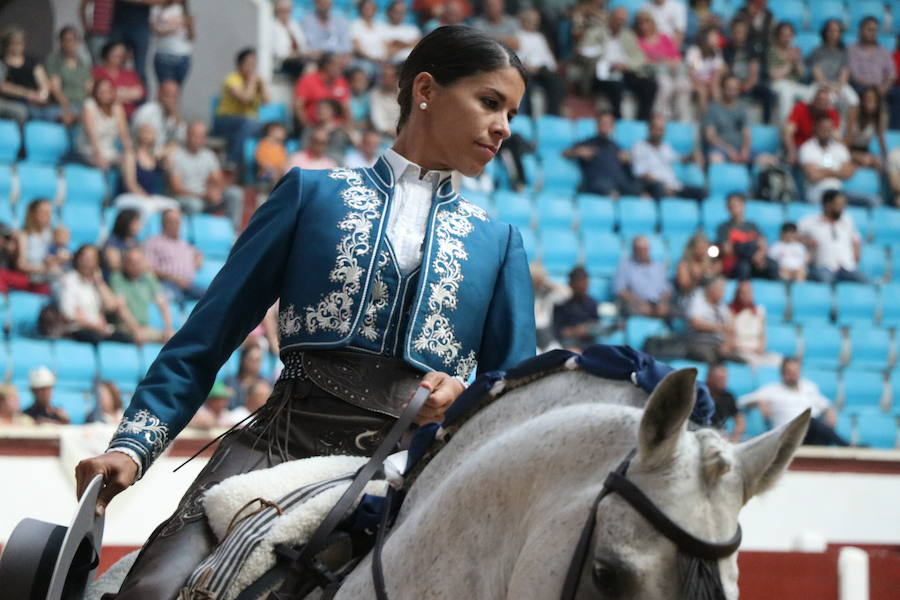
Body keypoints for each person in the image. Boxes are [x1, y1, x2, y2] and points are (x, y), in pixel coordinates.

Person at [75, 26, 535, 600]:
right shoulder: (310, 194)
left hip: (413, 475)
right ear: (425, 89)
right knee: (154, 591)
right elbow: (205, 338)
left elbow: (515, 402)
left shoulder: (499, 242)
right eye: (490, 102)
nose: (504, 128)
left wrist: (462, 397)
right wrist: (131, 448)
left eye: (510, 112)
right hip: (277, 449)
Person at [739, 357, 849, 446]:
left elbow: (825, 403)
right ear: (782, 373)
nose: (793, 375)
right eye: (789, 372)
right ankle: (846, 446)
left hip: (811, 434)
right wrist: (758, 403)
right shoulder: (772, 390)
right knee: (808, 420)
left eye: (795, 371)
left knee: (813, 422)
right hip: (789, 435)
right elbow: (742, 401)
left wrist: (829, 411)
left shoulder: (809, 387)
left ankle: (844, 448)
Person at [581, 6, 657, 121]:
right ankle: (617, 119)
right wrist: (602, 60)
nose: (619, 23)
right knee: (615, 85)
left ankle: (643, 119)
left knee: (650, 84)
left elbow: (640, 57)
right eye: (617, 19)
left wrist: (625, 65)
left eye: (623, 20)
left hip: (624, 70)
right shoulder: (595, 33)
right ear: (610, 18)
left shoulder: (628, 36)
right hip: (602, 72)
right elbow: (584, 52)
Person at [168, 121, 244, 226]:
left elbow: (218, 179)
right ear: (188, 135)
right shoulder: (177, 156)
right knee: (195, 205)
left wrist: (215, 190)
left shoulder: (209, 155)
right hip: (187, 198)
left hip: (206, 197)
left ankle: (232, 233)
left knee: (234, 193)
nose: (199, 139)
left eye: (202, 136)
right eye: (196, 136)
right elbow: (176, 188)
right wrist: (203, 195)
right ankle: (195, 235)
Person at [56, 244, 130, 343]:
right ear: (78, 259)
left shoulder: (95, 284)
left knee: (125, 338)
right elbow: (68, 313)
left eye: (92, 259)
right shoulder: (69, 280)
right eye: (84, 257)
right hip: (77, 329)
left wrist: (100, 283)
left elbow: (111, 306)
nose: (87, 262)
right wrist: (94, 326)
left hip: (98, 329)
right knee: (96, 338)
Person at [563, 110, 642, 197]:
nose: (605, 126)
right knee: (604, 187)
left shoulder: (616, 147)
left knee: (637, 189)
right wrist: (577, 152)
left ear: (612, 127)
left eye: (608, 123)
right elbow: (565, 153)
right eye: (602, 123)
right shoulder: (588, 143)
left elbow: (630, 168)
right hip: (596, 182)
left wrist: (628, 160)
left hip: (617, 182)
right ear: (597, 125)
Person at [213, 48, 268, 171]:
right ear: (240, 64)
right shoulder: (232, 79)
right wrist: (252, 83)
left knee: (269, 130)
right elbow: (245, 98)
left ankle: (260, 169)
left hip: (247, 125)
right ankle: (232, 161)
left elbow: (267, 102)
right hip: (226, 121)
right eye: (248, 64)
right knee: (248, 123)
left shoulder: (254, 83)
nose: (251, 68)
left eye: (254, 64)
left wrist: (262, 86)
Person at [114, 123, 181, 220]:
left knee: (174, 206)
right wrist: (146, 198)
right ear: (138, 134)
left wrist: (167, 154)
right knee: (147, 207)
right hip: (128, 196)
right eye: (145, 131)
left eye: (151, 132)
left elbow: (168, 166)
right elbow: (130, 184)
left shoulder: (155, 158)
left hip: (149, 198)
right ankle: (144, 234)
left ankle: (166, 234)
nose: (148, 134)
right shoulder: (131, 155)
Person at [798, 189, 866, 284]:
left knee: (864, 281)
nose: (843, 207)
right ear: (828, 205)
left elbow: (856, 239)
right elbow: (793, 236)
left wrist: (856, 250)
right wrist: (807, 242)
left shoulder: (847, 220)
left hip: (847, 266)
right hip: (824, 266)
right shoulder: (810, 222)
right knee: (825, 280)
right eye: (839, 204)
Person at [632, 113, 706, 201]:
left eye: (662, 130)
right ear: (649, 129)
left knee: (702, 193)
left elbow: (678, 158)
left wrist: (692, 157)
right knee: (658, 189)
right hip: (656, 187)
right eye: (657, 129)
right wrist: (662, 185)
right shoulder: (639, 147)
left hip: (674, 187)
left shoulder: (665, 147)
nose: (660, 133)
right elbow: (641, 173)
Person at [110, 246, 175, 343]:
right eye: (131, 262)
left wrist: (168, 328)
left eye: (138, 262)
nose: (135, 265)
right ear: (125, 263)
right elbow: (120, 307)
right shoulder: (117, 278)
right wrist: (136, 329)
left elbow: (162, 303)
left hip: (145, 328)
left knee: (173, 339)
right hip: (125, 327)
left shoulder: (149, 278)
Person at [635, 10, 691, 121]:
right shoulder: (638, 42)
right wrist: (664, 62)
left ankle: (682, 118)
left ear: (652, 23)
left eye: (646, 22)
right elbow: (642, 62)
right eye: (640, 23)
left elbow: (677, 58)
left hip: (672, 71)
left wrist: (671, 62)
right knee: (666, 85)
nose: (644, 25)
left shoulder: (664, 38)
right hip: (654, 72)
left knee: (684, 84)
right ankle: (660, 116)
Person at [142, 207, 205, 304]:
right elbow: (149, 268)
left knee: (210, 298)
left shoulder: (185, 244)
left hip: (188, 285)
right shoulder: (153, 242)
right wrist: (174, 279)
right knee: (174, 298)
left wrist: (199, 257)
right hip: (166, 283)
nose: (175, 225)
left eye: (177, 221)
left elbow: (198, 255)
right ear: (163, 223)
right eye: (171, 221)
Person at [0, 27, 57, 123]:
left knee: (53, 113)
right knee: (31, 113)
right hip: (14, 101)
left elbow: (43, 81)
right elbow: (2, 86)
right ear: (6, 44)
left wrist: (43, 95)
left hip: (36, 101)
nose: (17, 46)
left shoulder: (31, 61)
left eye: (20, 43)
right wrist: (28, 94)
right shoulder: (2, 62)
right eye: (13, 43)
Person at [723, 17, 773, 124]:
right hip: (732, 83)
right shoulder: (727, 49)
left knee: (767, 93)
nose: (738, 35)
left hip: (748, 83)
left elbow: (754, 71)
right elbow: (726, 70)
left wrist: (747, 85)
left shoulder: (752, 49)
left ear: (746, 33)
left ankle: (766, 123)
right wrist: (734, 85)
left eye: (741, 32)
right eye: (736, 32)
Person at [715, 193, 777, 280]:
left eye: (736, 205)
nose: (733, 208)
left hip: (756, 259)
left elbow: (763, 244)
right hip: (738, 261)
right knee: (744, 267)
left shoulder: (753, 226)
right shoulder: (724, 227)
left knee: (773, 265)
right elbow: (727, 249)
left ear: (743, 206)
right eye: (731, 206)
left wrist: (759, 255)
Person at [516, 8, 564, 117]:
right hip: (524, 71)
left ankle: (552, 115)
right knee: (526, 83)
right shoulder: (517, 36)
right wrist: (527, 66)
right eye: (530, 20)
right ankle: (526, 116)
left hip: (541, 71)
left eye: (535, 21)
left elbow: (550, 61)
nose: (533, 23)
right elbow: (515, 58)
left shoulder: (540, 38)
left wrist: (540, 67)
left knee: (557, 83)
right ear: (523, 21)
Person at [799, 114, 856, 205]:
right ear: (815, 128)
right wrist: (837, 171)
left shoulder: (839, 147)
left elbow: (849, 172)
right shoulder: (807, 148)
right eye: (823, 128)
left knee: (873, 201)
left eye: (829, 128)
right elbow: (812, 175)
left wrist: (823, 171)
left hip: (840, 193)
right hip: (817, 193)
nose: (826, 131)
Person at [77, 78, 132, 171]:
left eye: (107, 91)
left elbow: (123, 134)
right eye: (101, 91)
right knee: (102, 164)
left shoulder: (117, 108)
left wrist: (129, 151)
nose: (104, 94)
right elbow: (91, 135)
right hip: (89, 150)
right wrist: (98, 155)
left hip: (109, 150)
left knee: (130, 160)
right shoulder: (89, 106)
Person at [45, 26, 93, 127]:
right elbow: (55, 88)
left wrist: (89, 106)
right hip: (63, 105)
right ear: (61, 42)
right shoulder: (54, 60)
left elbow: (89, 87)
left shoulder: (83, 63)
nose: (70, 43)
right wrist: (67, 108)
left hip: (83, 104)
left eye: (73, 40)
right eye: (67, 40)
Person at [614, 235, 672, 317]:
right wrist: (639, 303)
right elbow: (620, 290)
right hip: (635, 303)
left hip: (657, 303)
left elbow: (667, 290)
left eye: (645, 249)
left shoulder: (659, 267)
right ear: (633, 250)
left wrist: (663, 303)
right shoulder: (625, 266)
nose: (642, 252)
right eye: (639, 249)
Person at [685, 276, 738, 364]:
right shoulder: (697, 299)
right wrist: (718, 327)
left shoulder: (722, 306)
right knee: (713, 361)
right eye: (720, 290)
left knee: (738, 361)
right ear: (711, 289)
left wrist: (727, 345)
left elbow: (731, 329)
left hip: (719, 344)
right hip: (699, 342)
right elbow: (695, 323)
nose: (723, 293)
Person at [809, 19, 859, 113]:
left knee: (853, 100)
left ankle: (847, 127)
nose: (833, 33)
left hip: (839, 84)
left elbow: (845, 72)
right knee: (827, 100)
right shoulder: (817, 51)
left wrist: (838, 86)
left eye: (836, 30)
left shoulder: (844, 52)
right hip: (820, 84)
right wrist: (828, 86)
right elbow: (817, 73)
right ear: (825, 32)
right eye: (831, 30)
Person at [783, 87, 840, 166]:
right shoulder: (800, 108)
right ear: (813, 100)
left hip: (822, 149)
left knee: (831, 162)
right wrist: (791, 152)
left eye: (826, 101)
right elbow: (788, 132)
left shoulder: (832, 114)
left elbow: (836, 137)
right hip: (800, 148)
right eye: (820, 100)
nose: (822, 104)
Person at [729, 280, 780, 367]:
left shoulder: (759, 311)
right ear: (737, 294)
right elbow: (730, 340)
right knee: (754, 363)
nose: (746, 296)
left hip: (757, 351)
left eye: (749, 293)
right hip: (741, 351)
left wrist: (760, 348)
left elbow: (762, 334)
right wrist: (749, 349)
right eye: (743, 293)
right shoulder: (730, 312)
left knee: (778, 360)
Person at [293, 52, 350, 130]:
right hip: (313, 127)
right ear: (326, 65)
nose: (341, 68)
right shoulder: (308, 80)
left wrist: (346, 127)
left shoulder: (342, 82)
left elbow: (346, 109)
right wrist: (307, 128)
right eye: (338, 65)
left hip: (335, 129)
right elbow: (298, 107)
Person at [767, 21, 809, 125]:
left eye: (789, 35)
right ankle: (786, 127)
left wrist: (797, 61)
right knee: (786, 92)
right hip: (777, 84)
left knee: (812, 94)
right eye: (784, 35)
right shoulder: (772, 51)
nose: (787, 38)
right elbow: (773, 75)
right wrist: (790, 64)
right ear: (778, 36)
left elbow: (802, 73)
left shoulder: (794, 51)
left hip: (794, 84)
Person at [704, 74, 751, 164]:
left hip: (740, 149)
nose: (732, 92)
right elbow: (710, 136)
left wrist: (745, 151)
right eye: (729, 88)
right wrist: (728, 150)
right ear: (722, 89)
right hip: (720, 150)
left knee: (767, 160)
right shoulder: (713, 109)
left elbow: (747, 134)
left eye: (735, 89)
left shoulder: (742, 108)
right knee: (715, 159)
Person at [91, 41, 145, 118]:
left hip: (129, 114)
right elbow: (96, 93)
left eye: (121, 55)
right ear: (107, 53)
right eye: (115, 54)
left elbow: (140, 92)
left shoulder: (129, 73)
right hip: (105, 114)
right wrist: (126, 93)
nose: (119, 56)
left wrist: (113, 93)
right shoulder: (97, 71)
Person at [131, 79, 187, 154]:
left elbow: (183, 139)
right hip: (143, 153)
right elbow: (142, 138)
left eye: (174, 96)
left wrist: (176, 118)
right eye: (167, 95)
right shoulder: (146, 111)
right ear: (158, 94)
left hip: (162, 154)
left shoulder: (173, 116)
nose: (170, 100)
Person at [11, 199, 55, 292]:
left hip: (50, 277)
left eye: (49, 212)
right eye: (43, 212)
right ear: (32, 214)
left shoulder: (52, 235)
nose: (47, 215)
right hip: (31, 278)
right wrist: (44, 269)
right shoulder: (23, 235)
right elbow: (21, 265)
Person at [107, 0, 154, 87]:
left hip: (140, 26)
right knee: (114, 63)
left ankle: (141, 98)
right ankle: (112, 93)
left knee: (140, 68)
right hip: (119, 24)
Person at [553, 266, 599, 351]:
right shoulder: (561, 304)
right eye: (579, 282)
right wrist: (574, 331)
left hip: (588, 343)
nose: (582, 286)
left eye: (584, 282)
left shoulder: (592, 303)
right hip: (567, 343)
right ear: (571, 284)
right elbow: (556, 331)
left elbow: (596, 327)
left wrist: (588, 330)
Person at [848, 17, 895, 98]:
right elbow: (854, 74)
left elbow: (891, 74)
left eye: (875, 30)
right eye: (870, 30)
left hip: (882, 87)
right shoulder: (852, 50)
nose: (873, 33)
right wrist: (874, 87)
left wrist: (885, 87)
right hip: (861, 87)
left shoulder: (883, 51)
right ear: (861, 30)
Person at [150, 0, 194, 86]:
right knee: (166, 87)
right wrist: (172, 28)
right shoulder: (158, 9)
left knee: (176, 90)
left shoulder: (183, 10)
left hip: (182, 54)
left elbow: (191, 36)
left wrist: (190, 26)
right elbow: (154, 30)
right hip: (164, 54)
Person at [844, 87, 887, 170]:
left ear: (877, 102)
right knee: (865, 161)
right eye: (867, 98)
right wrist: (851, 155)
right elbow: (847, 140)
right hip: (850, 148)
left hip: (865, 150)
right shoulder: (855, 112)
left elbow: (882, 141)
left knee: (881, 163)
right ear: (862, 100)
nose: (870, 102)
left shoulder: (879, 116)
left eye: (872, 99)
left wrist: (885, 158)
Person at [685, 26, 725, 115]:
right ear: (705, 38)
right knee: (702, 91)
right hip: (694, 82)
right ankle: (704, 116)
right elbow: (691, 73)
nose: (717, 38)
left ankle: (717, 116)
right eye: (714, 36)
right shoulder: (694, 51)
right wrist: (700, 83)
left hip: (708, 82)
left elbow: (717, 73)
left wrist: (713, 84)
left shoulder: (717, 51)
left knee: (716, 90)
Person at [531, 262, 570, 351]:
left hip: (547, 335)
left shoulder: (548, 293)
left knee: (558, 355)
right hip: (530, 334)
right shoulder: (525, 294)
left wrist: (547, 282)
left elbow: (567, 294)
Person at [675, 232, 721, 302]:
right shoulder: (684, 264)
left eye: (704, 247)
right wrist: (701, 273)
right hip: (689, 299)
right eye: (700, 247)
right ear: (692, 249)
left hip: (709, 300)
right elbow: (684, 285)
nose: (702, 251)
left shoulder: (712, 263)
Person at [223, 343, 270, 411]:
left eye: (258, 360)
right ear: (243, 359)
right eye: (252, 359)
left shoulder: (265, 383)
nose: (255, 363)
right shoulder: (230, 381)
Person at [706, 363, 744, 442]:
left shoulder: (728, 396)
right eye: (720, 379)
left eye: (725, 379)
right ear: (710, 378)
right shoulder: (699, 395)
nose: (724, 383)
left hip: (721, 435)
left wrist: (734, 437)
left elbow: (739, 419)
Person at [271, 0, 309, 78]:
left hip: (298, 58)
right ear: (277, 10)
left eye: (288, 10)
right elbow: (280, 53)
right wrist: (299, 54)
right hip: (282, 62)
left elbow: (303, 46)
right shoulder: (272, 26)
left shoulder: (294, 24)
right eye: (283, 10)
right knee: (308, 66)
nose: (286, 13)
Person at [350, 0, 389, 72]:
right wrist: (373, 59)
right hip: (363, 60)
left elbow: (386, 45)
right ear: (361, 10)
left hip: (381, 61)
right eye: (366, 8)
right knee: (369, 68)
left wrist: (384, 58)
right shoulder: (355, 25)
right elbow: (357, 48)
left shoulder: (380, 26)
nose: (369, 11)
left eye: (372, 8)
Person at [102, 208, 142, 275]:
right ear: (125, 224)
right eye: (135, 223)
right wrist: (134, 267)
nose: (138, 226)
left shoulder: (135, 241)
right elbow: (114, 265)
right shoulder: (112, 241)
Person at [370, 61, 402, 137]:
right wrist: (394, 133)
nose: (383, 79)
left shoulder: (405, 91)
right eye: (382, 76)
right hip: (385, 136)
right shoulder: (375, 94)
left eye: (386, 76)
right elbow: (378, 120)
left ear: (396, 77)